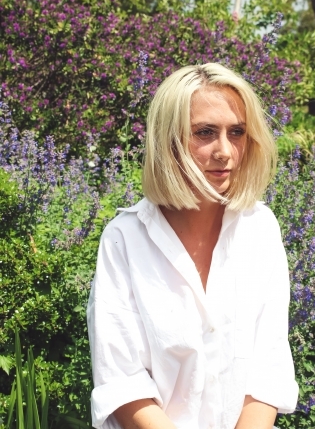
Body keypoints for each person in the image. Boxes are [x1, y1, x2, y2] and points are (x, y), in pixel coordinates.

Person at [87, 63, 299, 429]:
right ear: (168, 139)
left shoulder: (260, 230)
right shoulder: (124, 240)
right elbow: (122, 381)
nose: (225, 151)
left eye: (237, 132)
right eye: (205, 132)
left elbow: (269, 366)